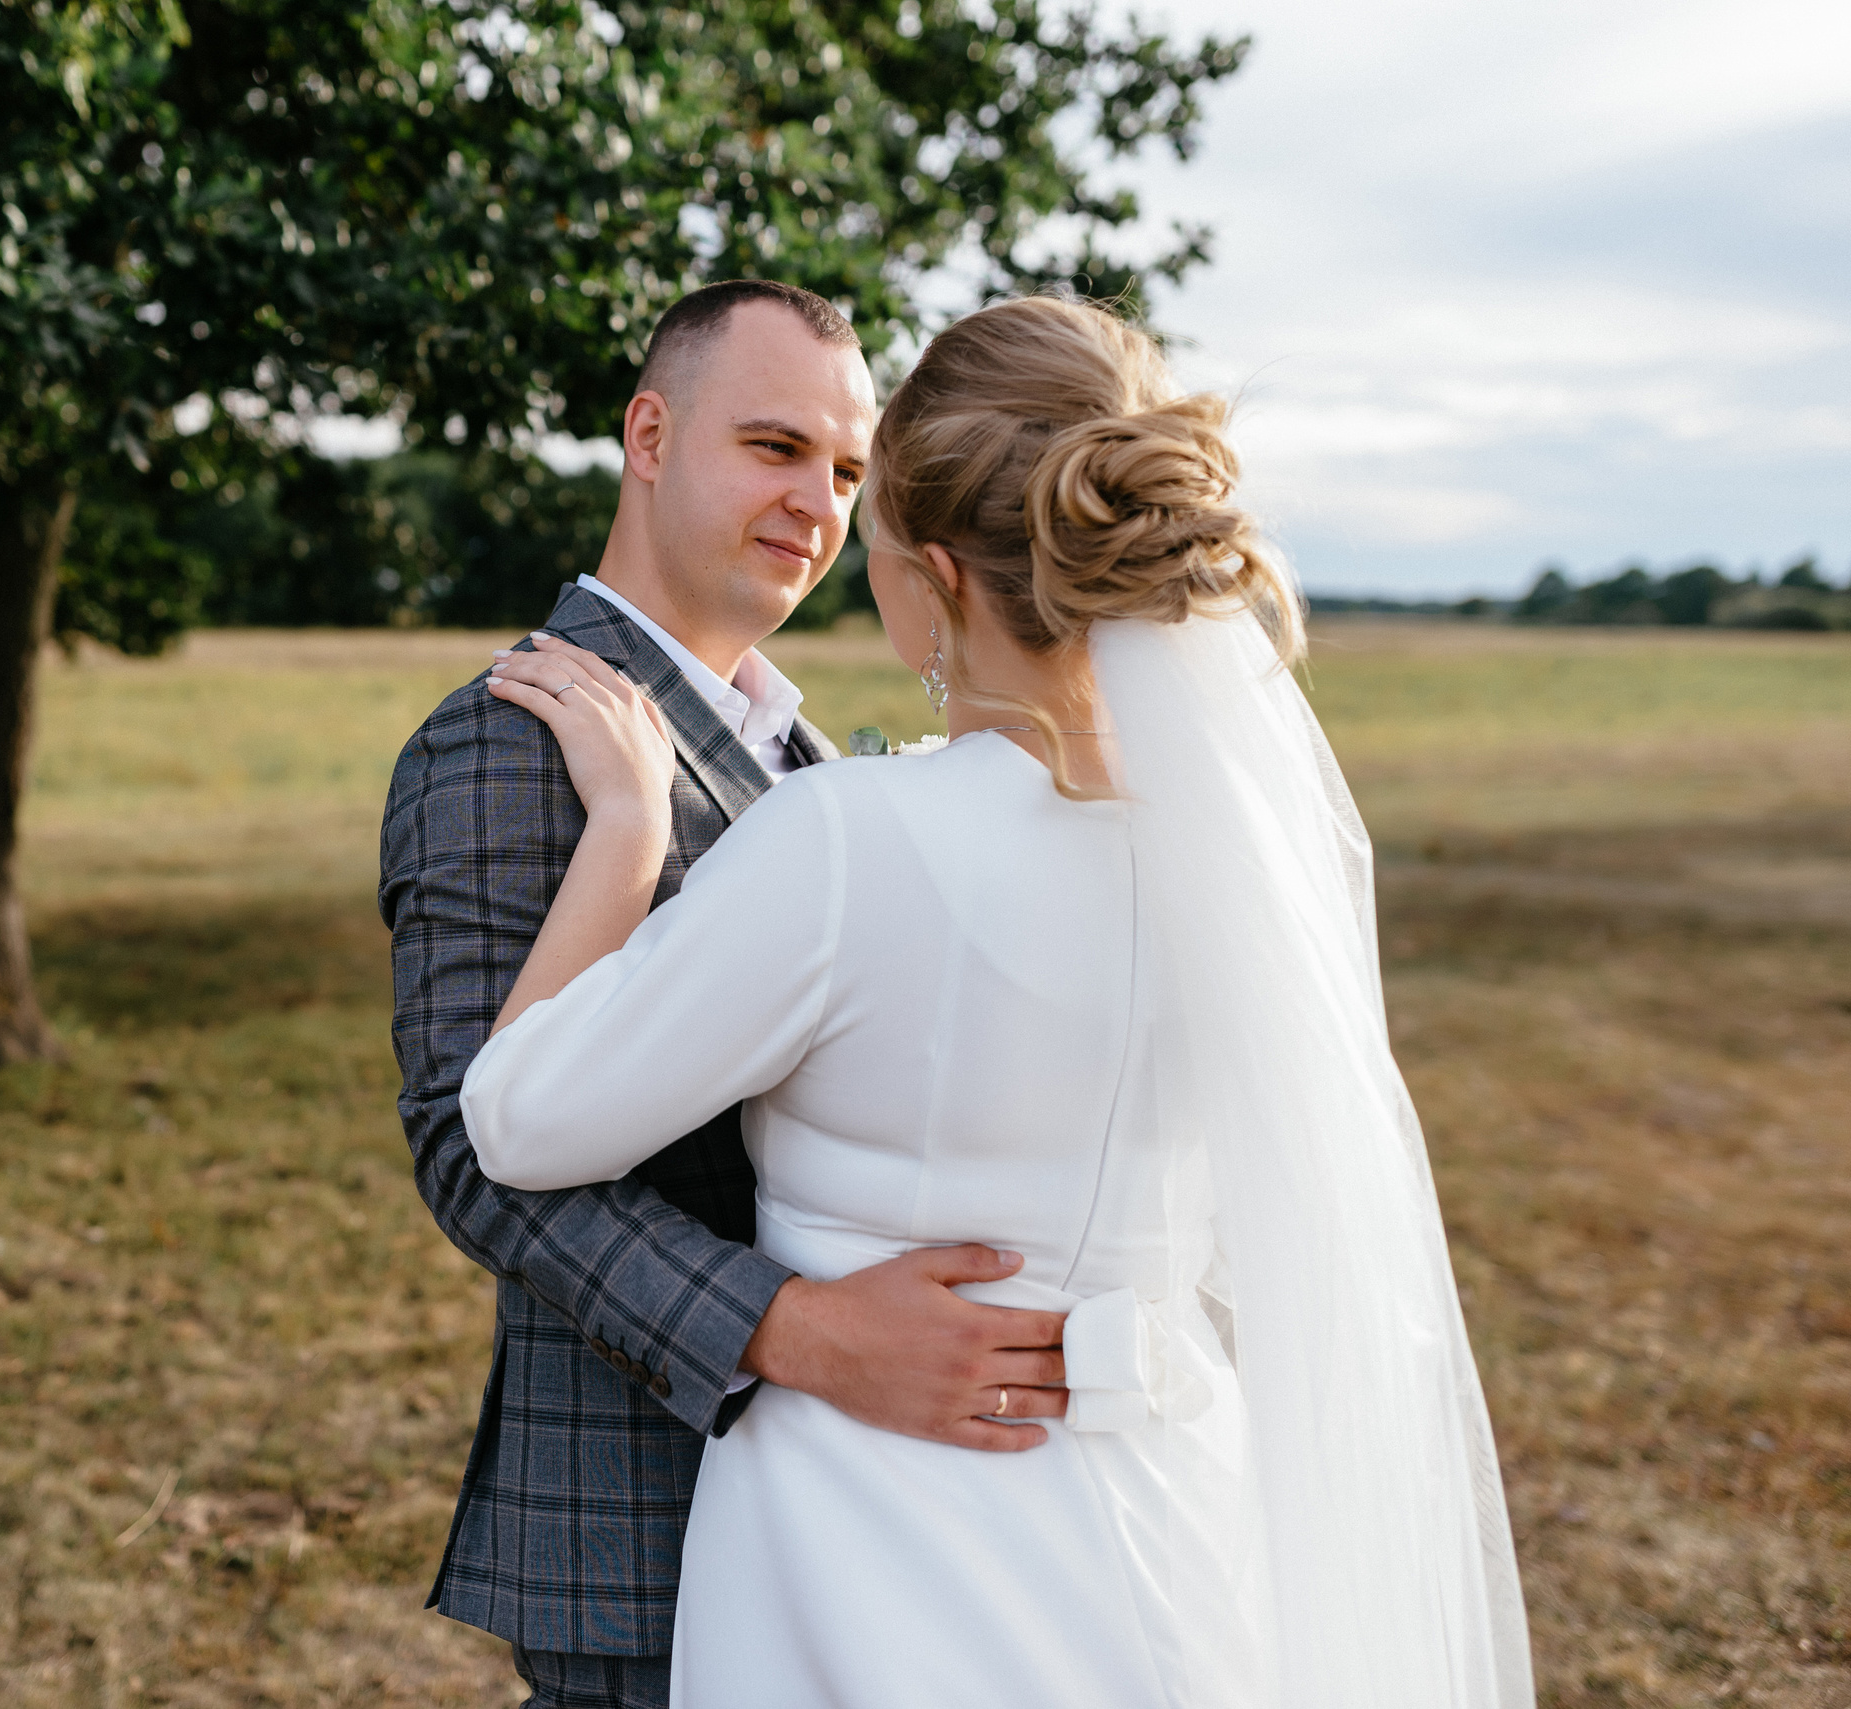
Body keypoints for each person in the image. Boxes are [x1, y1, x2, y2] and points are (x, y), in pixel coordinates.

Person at [461, 295, 1535, 1707]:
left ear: (939, 576)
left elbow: (517, 1120)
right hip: (1183, 1509)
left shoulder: (847, 838)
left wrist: (627, 833)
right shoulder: (1248, 866)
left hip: (875, 1543)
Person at [380, 281, 1082, 1709]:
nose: (816, 504)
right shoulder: (503, 745)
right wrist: (808, 1333)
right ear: (650, 432)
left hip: (879, 1518)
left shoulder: (824, 762)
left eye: (842, 470)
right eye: (774, 446)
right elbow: (475, 1156)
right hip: (651, 1522)